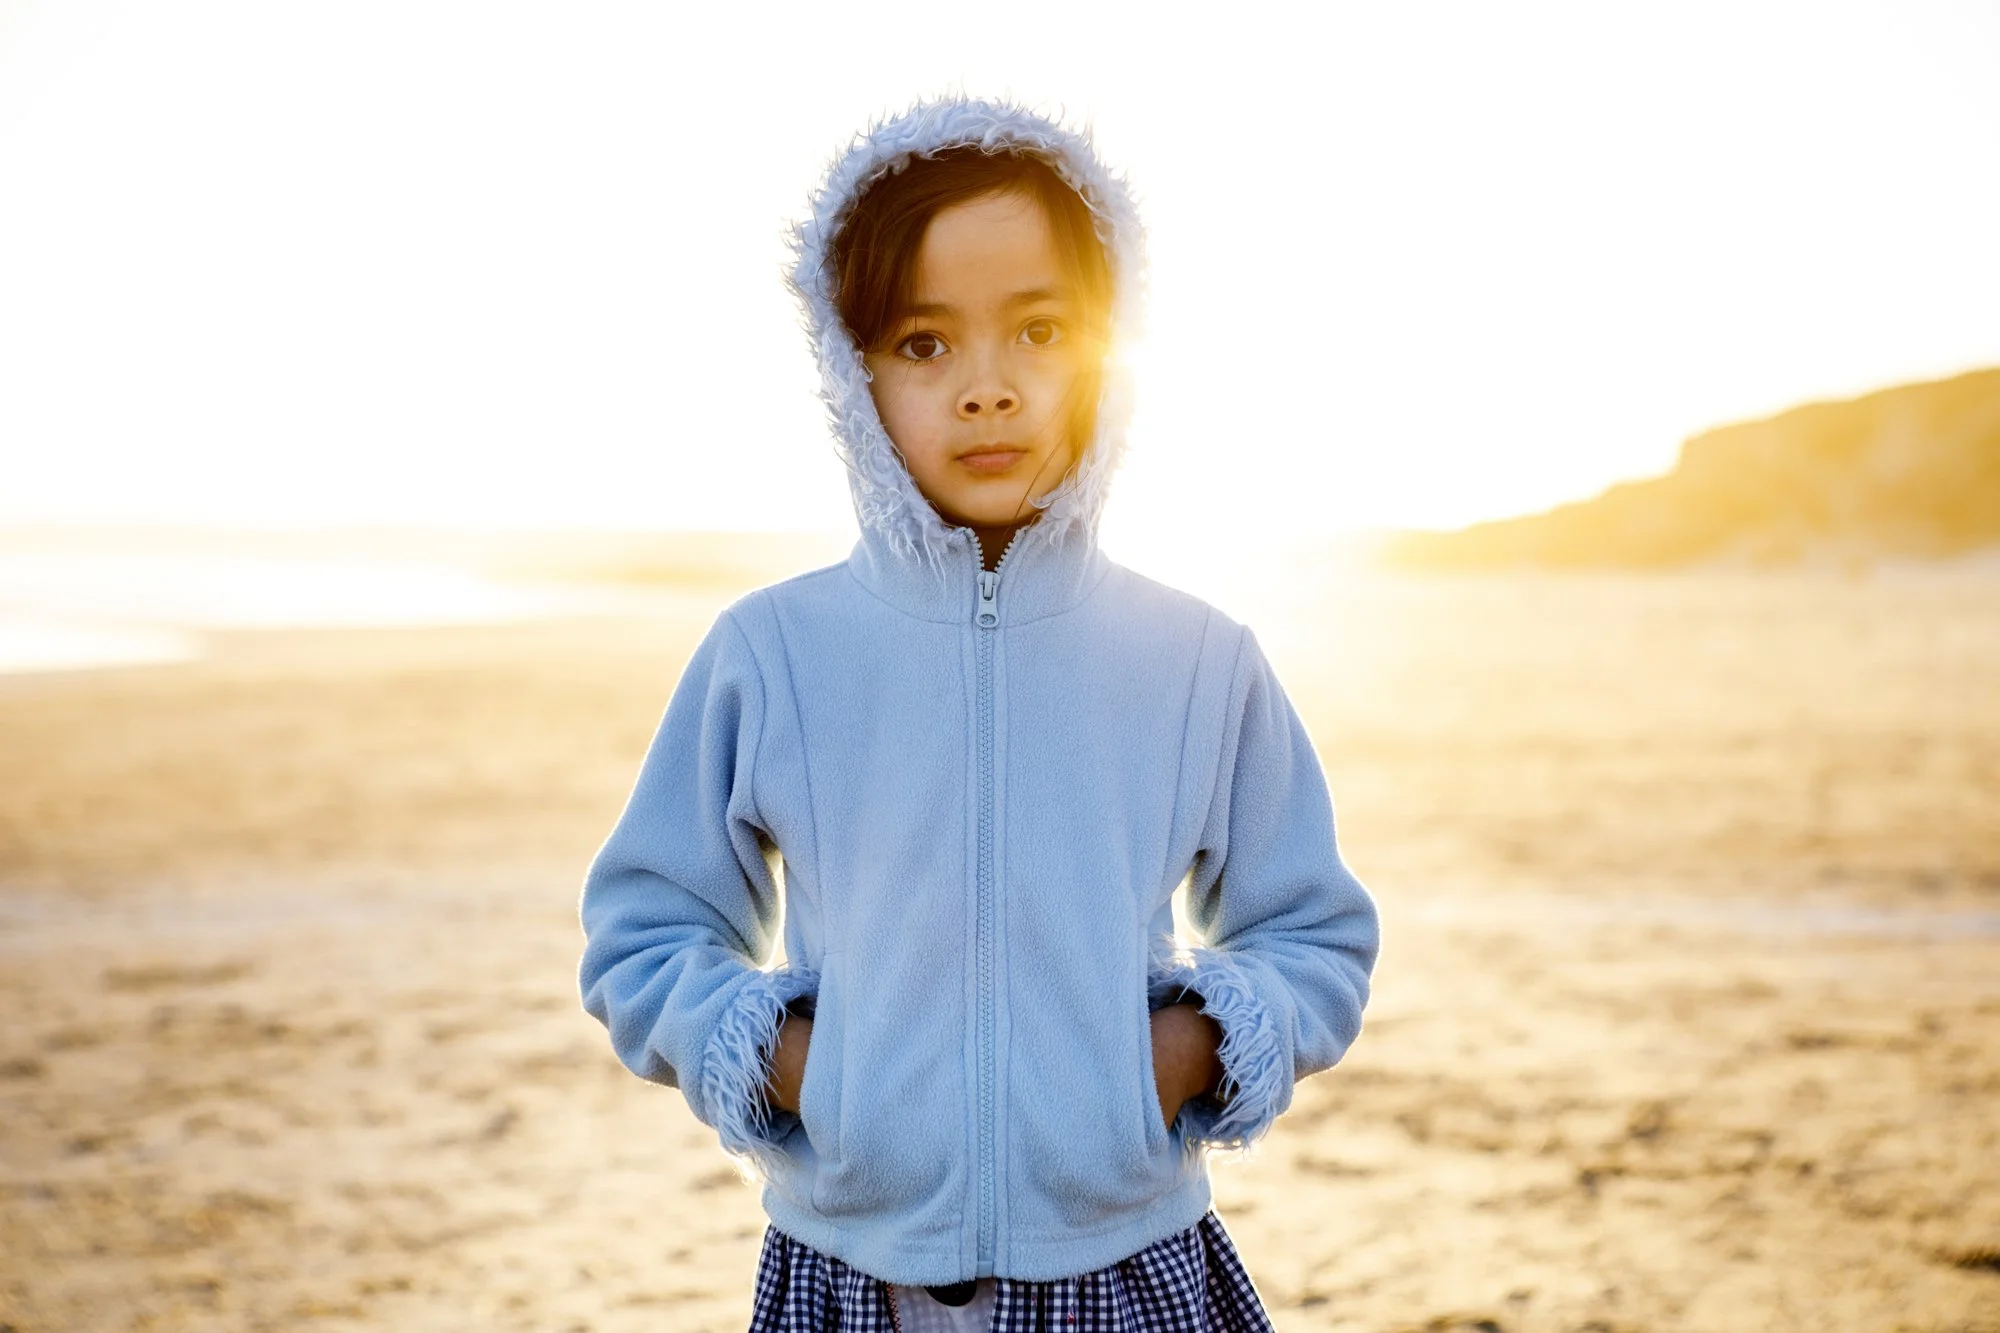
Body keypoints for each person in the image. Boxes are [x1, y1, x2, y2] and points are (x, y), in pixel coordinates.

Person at [577, 95, 1382, 1332]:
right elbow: (645, 930)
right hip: (851, 1269)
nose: (986, 389)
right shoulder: (774, 651)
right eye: (922, 344)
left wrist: (1175, 1059)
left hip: (1130, 1263)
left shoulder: (1194, 658)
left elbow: (1311, 932)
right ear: (851, 373)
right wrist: (800, 1066)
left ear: (1107, 349)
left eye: (1038, 330)